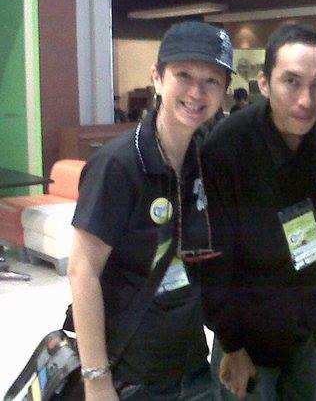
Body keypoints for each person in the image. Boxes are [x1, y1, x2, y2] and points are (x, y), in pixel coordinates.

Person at [67, 21, 234, 400]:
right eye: (183, 75)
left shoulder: (203, 160)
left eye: (212, 80)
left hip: (191, 364)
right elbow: (82, 270)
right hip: (129, 371)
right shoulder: (119, 164)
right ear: (157, 77)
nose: (197, 92)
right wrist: (96, 380)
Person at [201, 23, 316, 400]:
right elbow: (213, 258)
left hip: (308, 322)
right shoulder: (228, 146)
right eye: (291, 81)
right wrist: (232, 345)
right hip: (246, 333)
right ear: (264, 83)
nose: (307, 100)